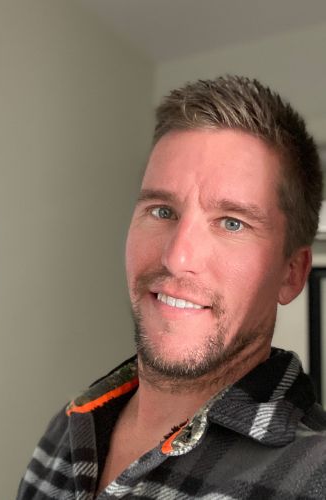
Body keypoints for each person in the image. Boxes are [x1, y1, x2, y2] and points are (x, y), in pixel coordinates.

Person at [17, 75, 326, 499]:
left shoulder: (312, 477)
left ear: (291, 273)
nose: (177, 257)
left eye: (232, 223)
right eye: (162, 210)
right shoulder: (67, 429)